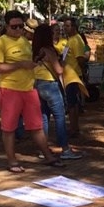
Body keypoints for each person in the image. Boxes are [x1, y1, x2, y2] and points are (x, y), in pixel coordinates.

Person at [0, 10, 63, 172]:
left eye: (20, 26)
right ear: (6, 26)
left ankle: (48, 157)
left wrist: (36, 61)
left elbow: (28, 62)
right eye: (13, 27)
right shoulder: (0, 43)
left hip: (29, 89)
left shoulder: (24, 41)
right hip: (10, 90)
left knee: (36, 126)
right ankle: (12, 161)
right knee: (9, 128)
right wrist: (20, 65)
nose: (17, 30)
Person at [32, 24, 83, 160]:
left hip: (37, 84)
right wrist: (62, 63)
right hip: (50, 85)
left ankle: (43, 149)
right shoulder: (49, 50)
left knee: (44, 117)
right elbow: (59, 70)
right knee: (60, 117)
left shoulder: (35, 50)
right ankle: (65, 148)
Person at [62, 17, 87, 137]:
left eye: (67, 26)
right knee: (72, 103)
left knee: (72, 103)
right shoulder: (71, 39)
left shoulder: (76, 40)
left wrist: (83, 72)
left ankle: (74, 128)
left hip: (74, 75)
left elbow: (80, 59)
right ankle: (73, 127)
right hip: (69, 75)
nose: (65, 28)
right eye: (64, 26)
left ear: (74, 27)